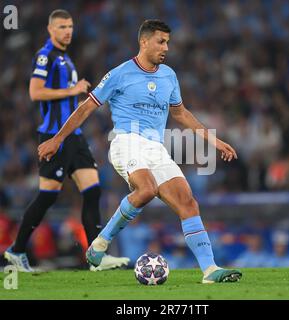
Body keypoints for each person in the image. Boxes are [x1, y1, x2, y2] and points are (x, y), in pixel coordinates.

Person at [38, 19, 242, 283]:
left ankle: (210, 270)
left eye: (168, 42)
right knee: (146, 189)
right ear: (143, 42)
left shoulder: (169, 75)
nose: (166, 47)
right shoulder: (120, 74)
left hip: (156, 148)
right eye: (160, 41)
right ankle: (100, 244)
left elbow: (180, 113)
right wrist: (57, 139)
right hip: (126, 142)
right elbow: (86, 108)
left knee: (188, 202)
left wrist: (213, 140)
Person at [4, 9, 129, 272]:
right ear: (51, 30)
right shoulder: (45, 55)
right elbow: (35, 92)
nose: (67, 31)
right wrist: (72, 90)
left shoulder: (65, 58)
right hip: (55, 135)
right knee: (48, 196)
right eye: (61, 27)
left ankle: (96, 256)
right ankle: (16, 250)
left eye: (70, 26)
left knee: (93, 191)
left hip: (76, 136)